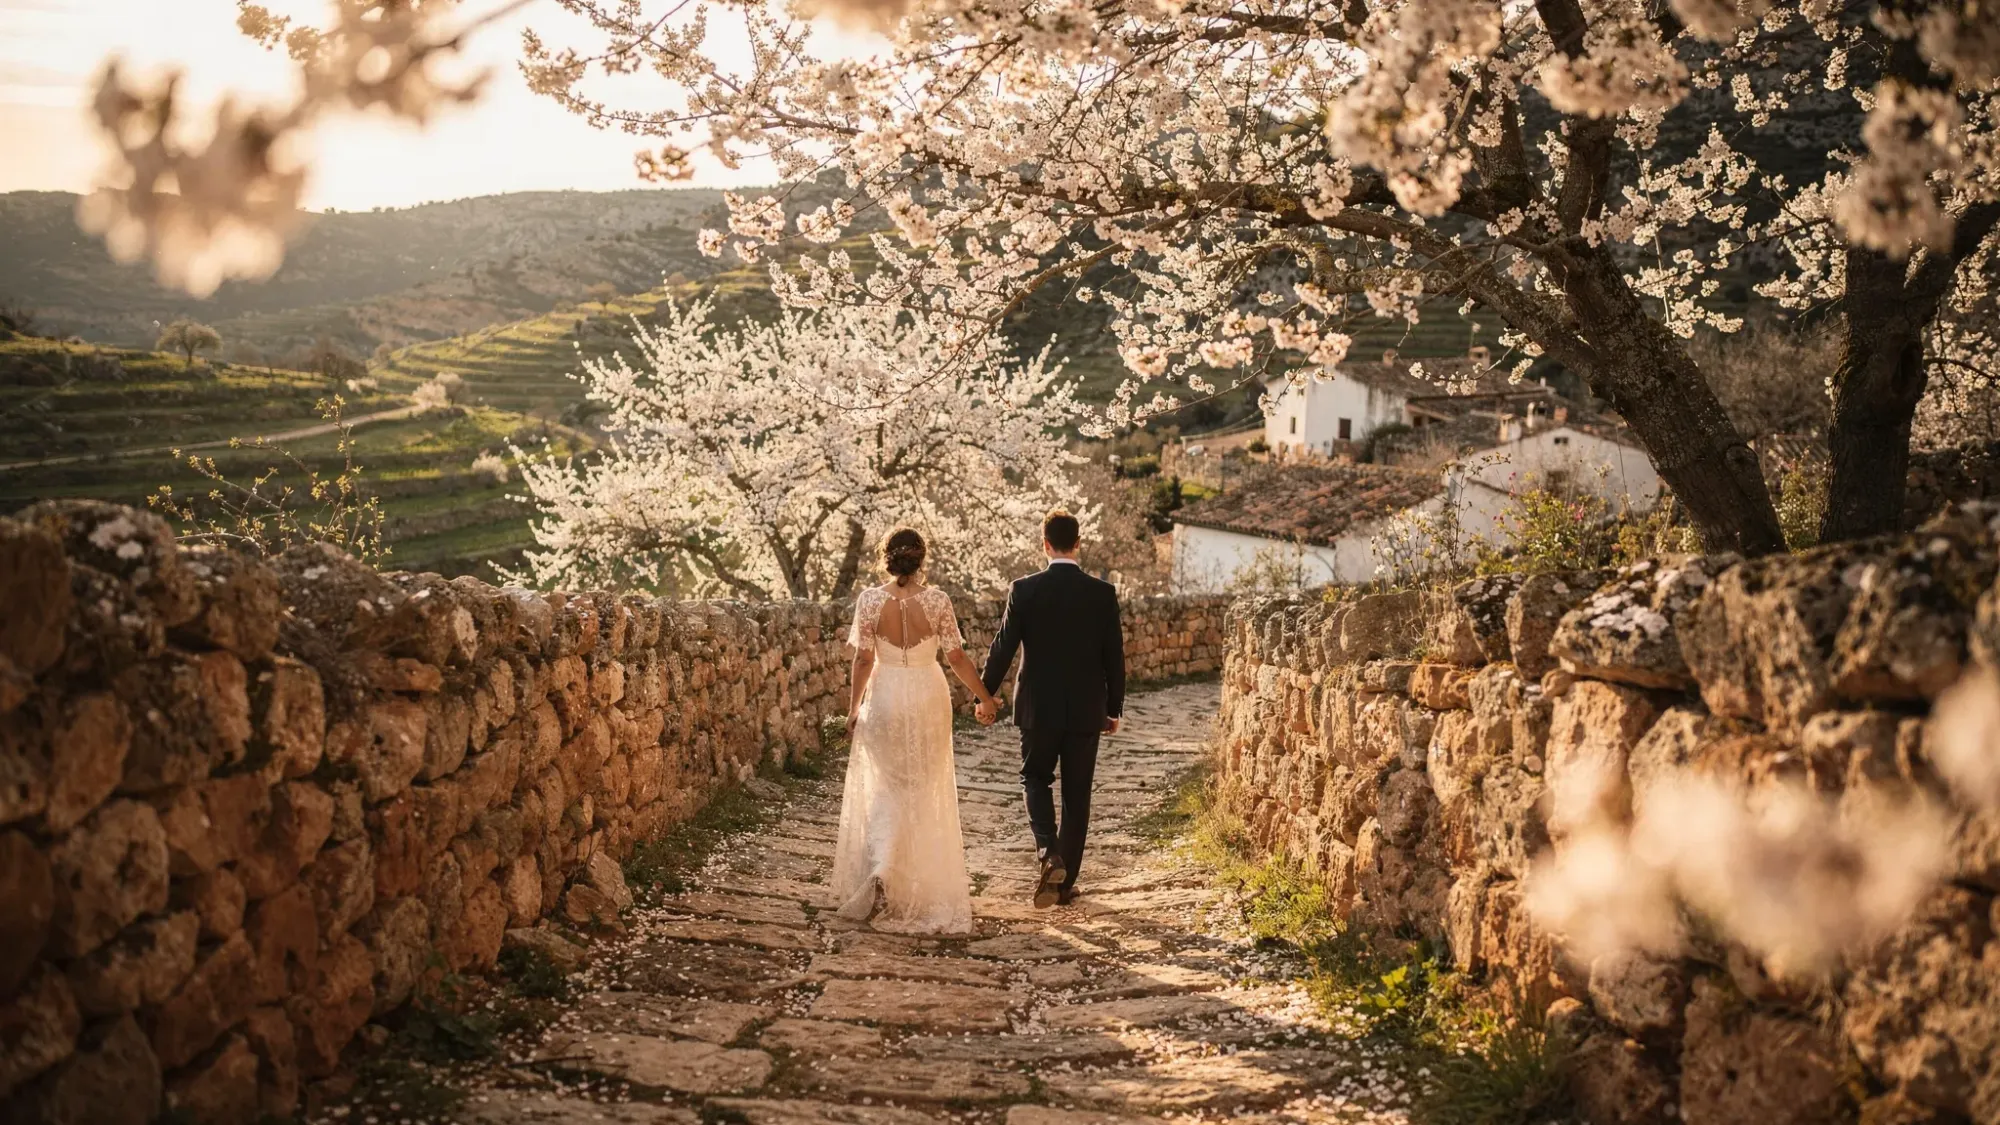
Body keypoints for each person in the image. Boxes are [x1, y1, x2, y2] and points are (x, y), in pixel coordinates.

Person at [831, 528, 1000, 933]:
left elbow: (863, 661)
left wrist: (854, 710)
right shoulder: (938, 601)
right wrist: (985, 698)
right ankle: (906, 874)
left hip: (886, 694)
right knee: (922, 787)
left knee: (887, 784)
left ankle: (883, 865)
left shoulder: (870, 600)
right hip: (927, 694)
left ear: (885, 556)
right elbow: (955, 656)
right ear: (922, 558)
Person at [980, 511, 1125, 908]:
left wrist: (985, 694)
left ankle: (1049, 854)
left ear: (1044, 544)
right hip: (1085, 710)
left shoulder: (1024, 590)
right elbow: (1115, 656)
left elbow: (1003, 646)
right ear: (1078, 544)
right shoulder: (1102, 593)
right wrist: (1113, 708)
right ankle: (1063, 886)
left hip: (1037, 707)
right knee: (1077, 796)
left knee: (1035, 778)